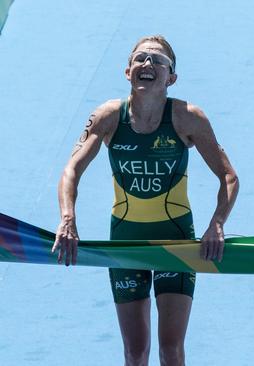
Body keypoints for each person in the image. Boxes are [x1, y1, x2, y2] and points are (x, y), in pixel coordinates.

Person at [52, 35, 239, 366]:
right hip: (126, 241)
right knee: (135, 353)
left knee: (170, 350)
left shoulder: (188, 118)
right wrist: (67, 220)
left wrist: (217, 225)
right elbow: (71, 171)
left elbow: (229, 177)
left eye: (157, 60)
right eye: (140, 58)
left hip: (177, 241)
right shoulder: (108, 116)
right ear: (127, 71)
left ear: (172, 78)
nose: (147, 64)